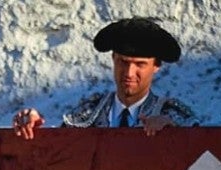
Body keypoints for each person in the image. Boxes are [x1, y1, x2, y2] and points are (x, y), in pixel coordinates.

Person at [13, 17, 197, 138]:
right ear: (113, 59)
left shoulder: (171, 115)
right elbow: (56, 152)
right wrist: (37, 128)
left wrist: (174, 132)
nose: (129, 73)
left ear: (156, 66)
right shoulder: (87, 113)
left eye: (140, 64)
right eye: (123, 62)